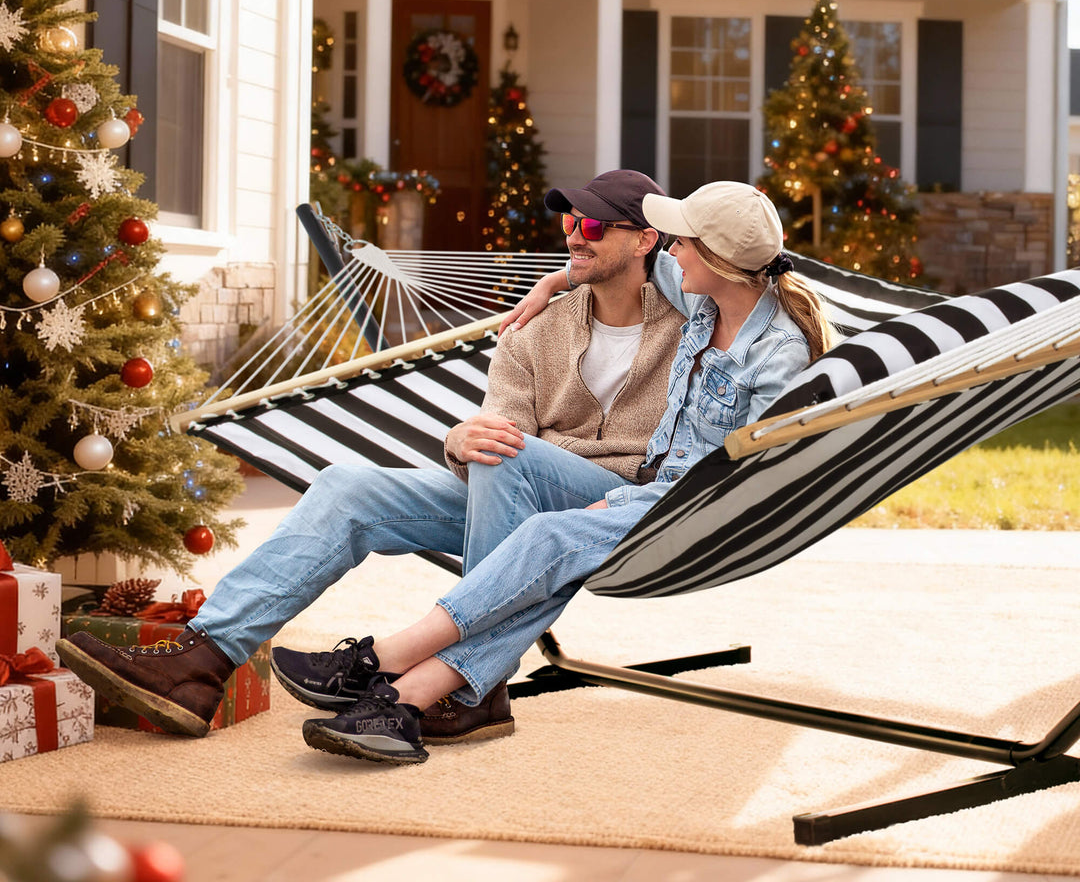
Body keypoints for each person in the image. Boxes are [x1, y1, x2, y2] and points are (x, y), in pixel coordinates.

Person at [56, 170, 686, 743]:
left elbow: (749, 268)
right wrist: (457, 442)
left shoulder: (692, 319)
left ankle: (471, 682)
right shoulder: (536, 326)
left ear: (646, 241)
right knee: (350, 485)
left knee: (508, 454)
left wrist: (552, 282)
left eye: (596, 226)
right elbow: (502, 430)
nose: (576, 236)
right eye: (570, 223)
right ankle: (204, 661)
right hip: (522, 488)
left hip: (626, 507)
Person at [293, 180, 836, 765]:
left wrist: (630, 507)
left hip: (697, 515)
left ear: (718, 259)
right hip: (654, 492)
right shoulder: (706, 297)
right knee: (518, 477)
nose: (670, 251)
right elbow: (609, 269)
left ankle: (384, 663)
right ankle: (411, 701)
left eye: (681, 241)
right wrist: (554, 283)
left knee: (548, 538)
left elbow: (746, 476)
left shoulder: (777, 352)